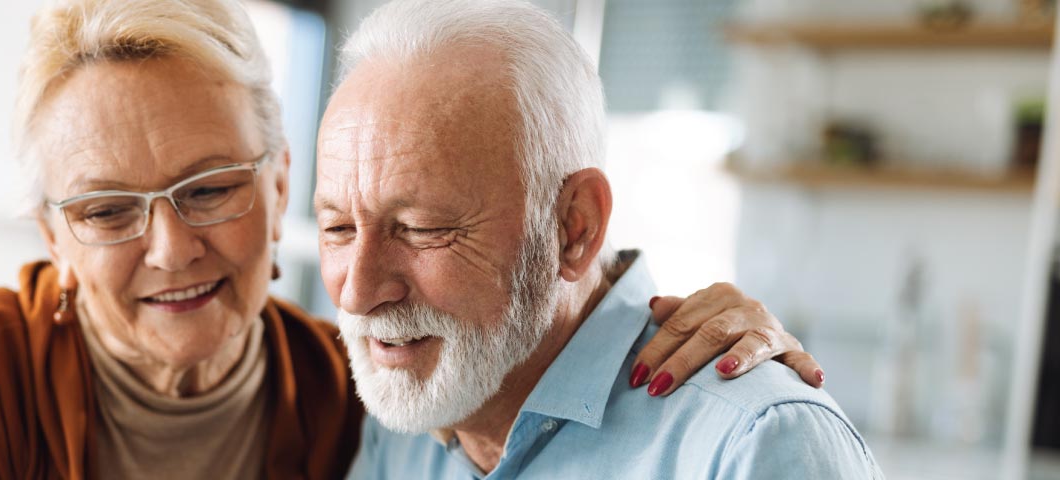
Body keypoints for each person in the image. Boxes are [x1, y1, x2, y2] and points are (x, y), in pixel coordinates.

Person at [0, 0, 829, 478]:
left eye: (207, 189)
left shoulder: (355, 397)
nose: (167, 246)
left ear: (274, 180)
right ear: (52, 235)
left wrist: (757, 389)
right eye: (107, 210)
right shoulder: (396, 414)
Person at [323, 1, 883, 478]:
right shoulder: (398, 436)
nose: (357, 292)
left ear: (574, 229)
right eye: (338, 228)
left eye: (422, 229)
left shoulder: (753, 446)